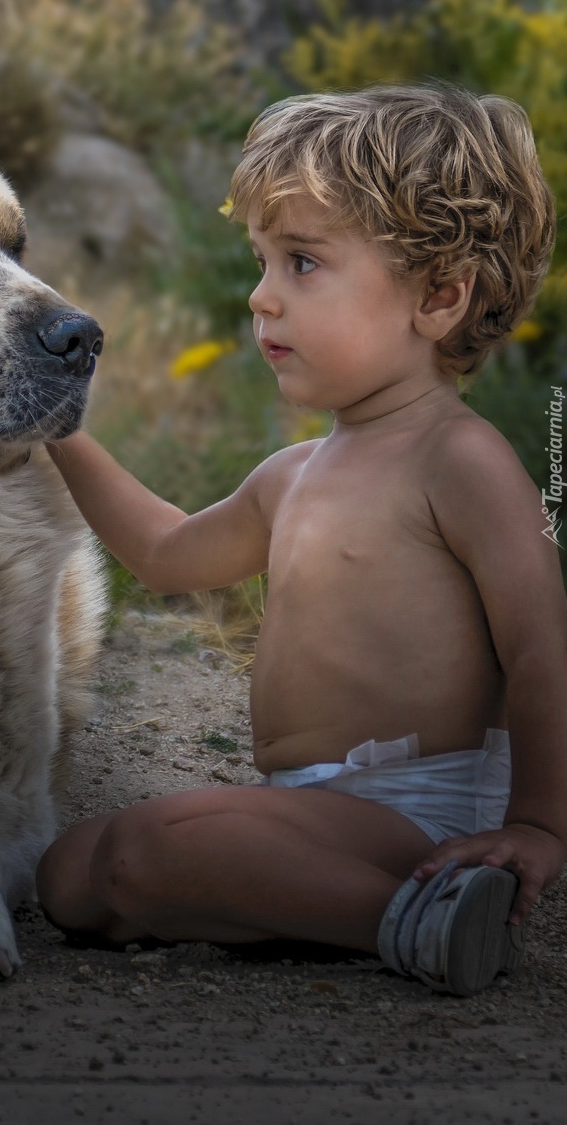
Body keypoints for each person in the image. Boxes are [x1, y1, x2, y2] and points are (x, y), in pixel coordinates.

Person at [36, 84, 567, 996]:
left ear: (439, 298)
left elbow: (540, 646)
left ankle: (410, 921)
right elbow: (166, 554)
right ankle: (318, 902)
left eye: (303, 264)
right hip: (317, 813)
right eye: (262, 261)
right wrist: (59, 429)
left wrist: (541, 824)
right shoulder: (291, 476)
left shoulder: (460, 460)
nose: (261, 297)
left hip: (418, 812)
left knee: (146, 852)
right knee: (71, 877)